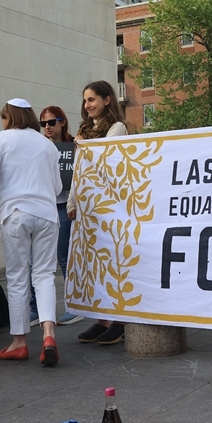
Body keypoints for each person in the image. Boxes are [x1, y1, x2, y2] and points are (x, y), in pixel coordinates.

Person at [0, 99, 63, 366]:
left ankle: (19, 342)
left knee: (17, 276)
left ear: (8, 117)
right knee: (45, 274)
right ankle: (49, 334)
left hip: (16, 214)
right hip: (47, 214)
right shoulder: (47, 145)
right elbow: (58, 188)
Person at [71, 82, 129, 345]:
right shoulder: (86, 130)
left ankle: (121, 320)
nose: (88, 105)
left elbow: (106, 162)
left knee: (114, 261)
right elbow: (79, 171)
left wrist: (85, 146)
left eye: (92, 99)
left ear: (107, 100)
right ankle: (103, 319)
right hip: (87, 205)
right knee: (94, 264)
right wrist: (72, 202)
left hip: (109, 204)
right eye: (85, 101)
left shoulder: (117, 128)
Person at [40, 105, 82, 325]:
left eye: (51, 122)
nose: (47, 127)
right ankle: (36, 308)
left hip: (66, 205)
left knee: (65, 256)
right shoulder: (41, 147)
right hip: (45, 205)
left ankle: (74, 305)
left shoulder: (74, 145)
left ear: (62, 122)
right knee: (39, 260)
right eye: (43, 124)